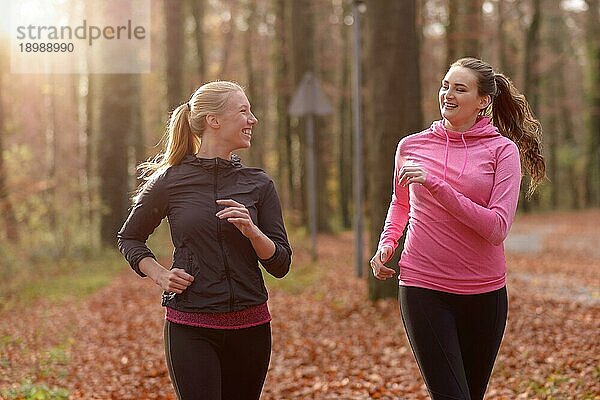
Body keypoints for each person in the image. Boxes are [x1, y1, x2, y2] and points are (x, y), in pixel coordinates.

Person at [370, 57, 545, 400]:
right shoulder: (411, 146)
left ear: (483, 101)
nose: (447, 94)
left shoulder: (502, 152)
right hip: (423, 287)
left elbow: (496, 227)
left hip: (485, 293)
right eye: (445, 85)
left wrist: (436, 185)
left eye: (460, 88)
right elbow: (401, 203)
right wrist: (386, 243)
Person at [117, 81, 292, 400]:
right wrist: (159, 274)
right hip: (190, 325)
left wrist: (253, 231)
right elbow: (130, 237)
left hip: (251, 327)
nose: (253, 119)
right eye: (243, 111)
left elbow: (280, 264)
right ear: (214, 120)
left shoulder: (258, 184)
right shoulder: (170, 180)